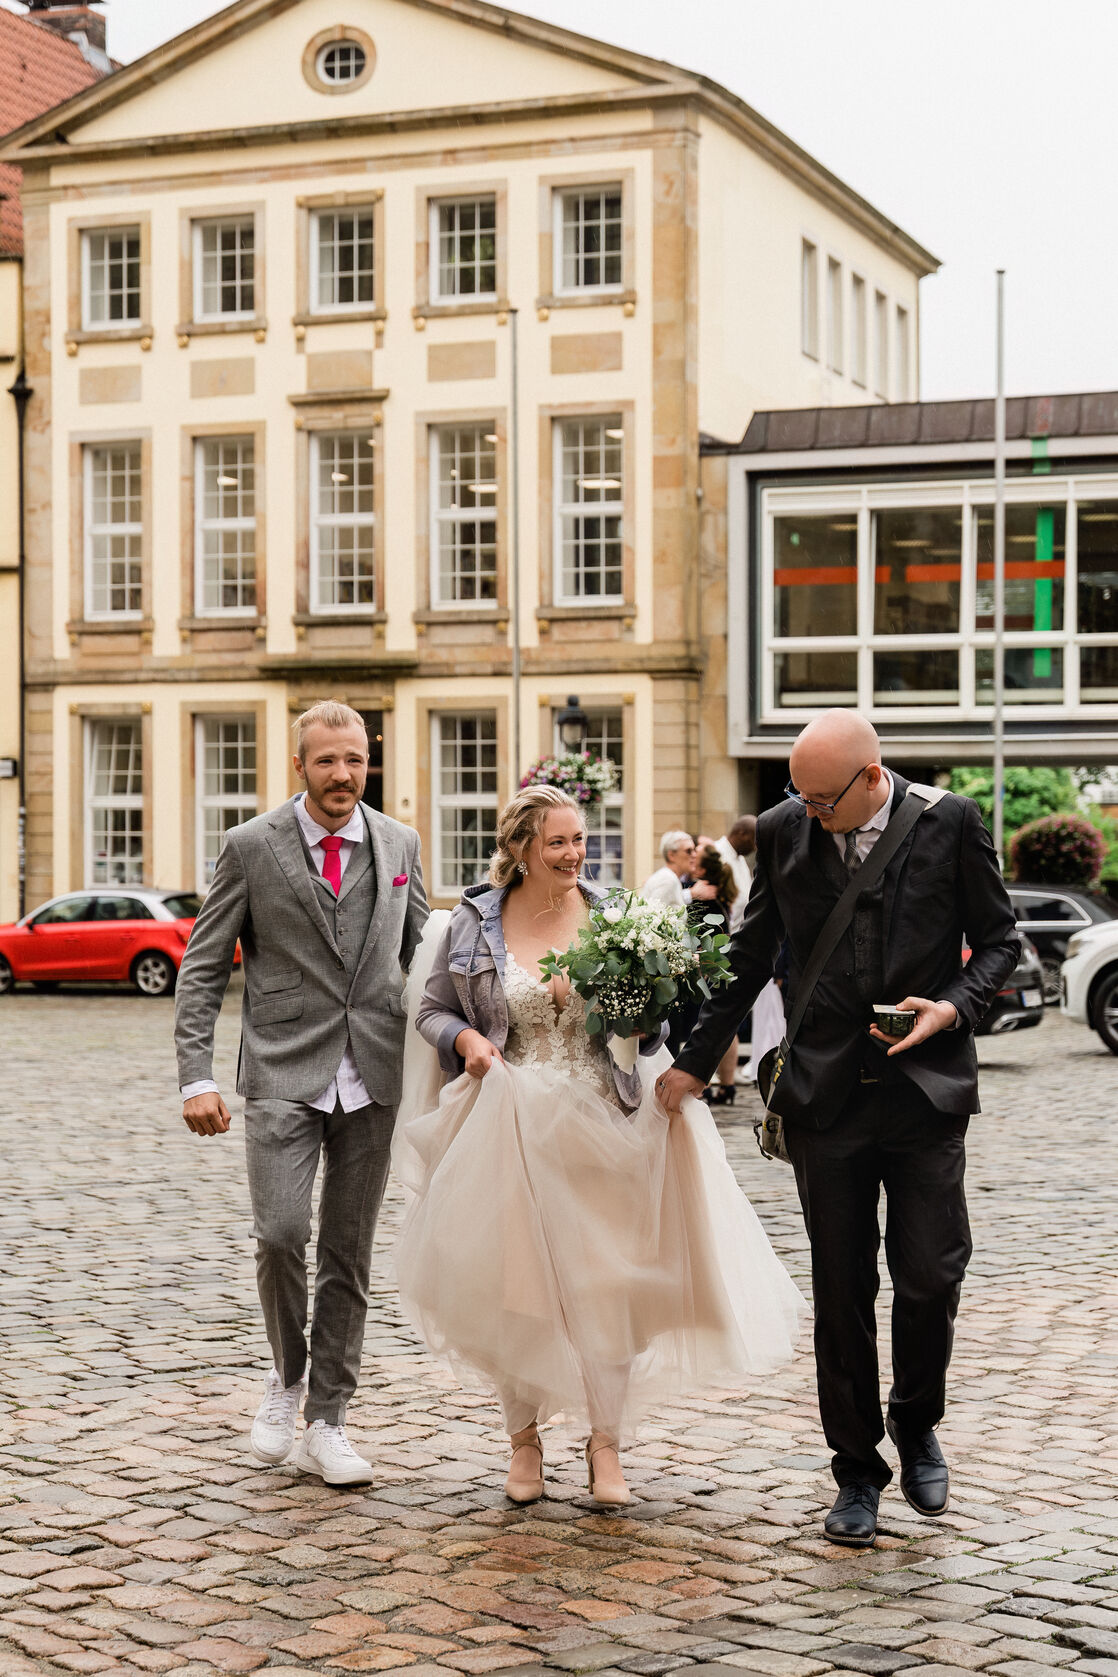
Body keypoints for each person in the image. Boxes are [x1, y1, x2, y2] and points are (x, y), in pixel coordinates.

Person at [657, 710, 1019, 1548]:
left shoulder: (953, 822)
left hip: (925, 1093)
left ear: (871, 776)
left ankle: (917, 1419)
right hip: (826, 1098)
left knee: (930, 1273)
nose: (809, 811)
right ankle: (856, 1469)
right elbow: (751, 956)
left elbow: (1000, 941)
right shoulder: (786, 830)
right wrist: (691, 1059)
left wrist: (954, 1007)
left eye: (823, 798)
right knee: (841, 1289)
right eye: (800, 796)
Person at [396, 786, 805, 1509]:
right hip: (508, 1123)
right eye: (557, 841)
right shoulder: (470, 921)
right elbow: (431, 1009)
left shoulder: (618, 916)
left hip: (603, 1119)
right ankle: (523, 1443)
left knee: (607, 1288)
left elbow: (649, 1034)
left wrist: (642, 1006)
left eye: (579, 838)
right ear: (521, 847)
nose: (573, 852)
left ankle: (605, 1446)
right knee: (515, 1288)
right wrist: (467, 1042)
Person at [174, 700, 429, 1486]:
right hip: (283, 1068)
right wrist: (197, 1073)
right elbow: (204, 963)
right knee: (282, 1234)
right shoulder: (251, 847)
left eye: (354, 759)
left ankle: (327, 1419)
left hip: (374, 1073)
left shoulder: (399, 844)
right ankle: (286, 1376)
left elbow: (427, 956)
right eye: (327, 761)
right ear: (300, 765)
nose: (343, 774)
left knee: (347, 1255)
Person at [667, 844, 736, 1063]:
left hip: (697, 968)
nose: (691, 859)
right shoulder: (717, 891)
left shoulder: (698, 892)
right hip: (709, 964)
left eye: (695, 858)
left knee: (689, 1026)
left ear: (702, 869)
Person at [711, 816, 758, 1097]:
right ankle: (716, 1077)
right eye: (753, 839)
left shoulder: (740, 860)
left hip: (738, 944)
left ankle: (726, 1079)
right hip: (721, 945)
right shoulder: (718, 856)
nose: (755, 846)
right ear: (740, 833)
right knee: (721, 1012)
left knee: (733, 1014)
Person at [640, 830, 695, 908]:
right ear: (671, 855)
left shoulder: (668, 877)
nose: (694, 855)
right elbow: (652, 915)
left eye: (694, 850)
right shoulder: (668, 880)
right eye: (688, 851)